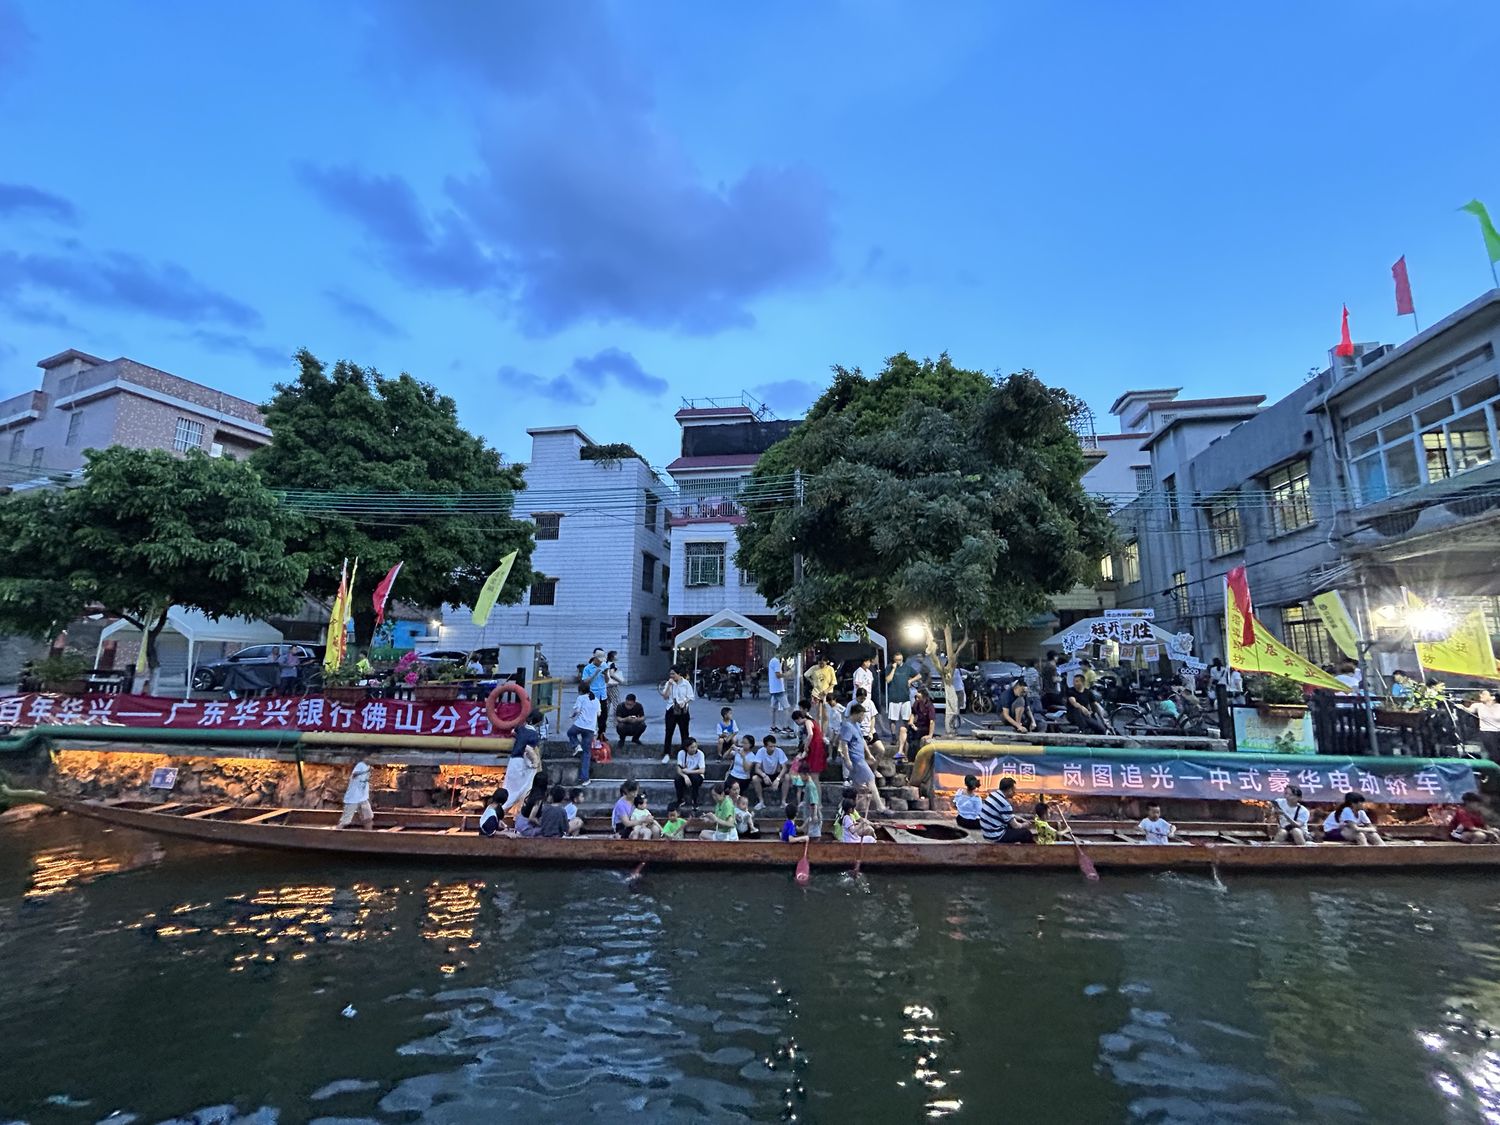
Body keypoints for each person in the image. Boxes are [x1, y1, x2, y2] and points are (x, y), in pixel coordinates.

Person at [836, 704, 885, 814]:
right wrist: (847, 760)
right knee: (871, 779)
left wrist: (868, 754)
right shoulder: (847, 726)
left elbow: (862, 741)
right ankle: (880, 806)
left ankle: (841, 807)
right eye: (862, 715)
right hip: (856, 759)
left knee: (856, 787)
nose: (863, 718)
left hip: (861, 757)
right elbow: (844, 744)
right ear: (856, 714)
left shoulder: (856, 725)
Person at [502, 707, 545, 812]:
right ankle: (514, 811)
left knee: (509, 788)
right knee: (522, 789)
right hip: (523, 763)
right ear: (539, 723)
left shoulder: (520, 728)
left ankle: (502, 809)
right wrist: (535, 763)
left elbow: (513, 731)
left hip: (513, 761)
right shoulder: (534, 735)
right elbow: (528, 749)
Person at [885, 651, 921, 759]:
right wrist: (894, 669)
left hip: (905, 697)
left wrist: (911, 680)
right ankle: (893, 736)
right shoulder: (889, 667)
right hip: (894, 697)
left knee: (906, 719)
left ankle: (906, 736)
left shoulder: (907, 667)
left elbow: (918, 675)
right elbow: (887, 680)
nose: (899, 662)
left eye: (900, 660)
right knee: (893, 719)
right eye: (897, 660)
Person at [979, 776, 1034, 843]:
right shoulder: (1004, 804)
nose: (1015, 792)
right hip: (995, 836)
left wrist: (1019, 818)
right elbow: (1016, 826)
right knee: (1025, 833)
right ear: (1009, 790)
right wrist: (1024, 825)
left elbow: (1003, 814)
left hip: (986, 832)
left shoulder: (993, 795)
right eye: (1014, 790)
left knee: (1013, 825)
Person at [660, 666, 695, 764]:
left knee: (684, 732)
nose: (671, 676)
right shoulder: (669, 683)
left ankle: (685, 753)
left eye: (673, 674)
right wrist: (669, 686)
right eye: (670, 674)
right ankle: (666, 753)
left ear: (679, 674)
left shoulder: (686, 683)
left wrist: (684, 701)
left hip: (683, 710)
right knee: (669, 732)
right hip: (671, 709)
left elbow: (691, 696)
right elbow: (665, 696)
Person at [566, 690, 600, 783]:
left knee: (570, 733)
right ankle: (585, 778)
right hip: (590, 728)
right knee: (586, 753)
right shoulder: (596, 700)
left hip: (580, 725)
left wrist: (572, 716)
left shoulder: (581, 698)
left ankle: (576, 745)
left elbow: (576, 710)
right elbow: (599, 713)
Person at [753, 734, 790, 810]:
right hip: (765, 774)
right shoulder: (760, 751)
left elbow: (784, 768)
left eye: (774, 746)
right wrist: (764, 776)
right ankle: (761, 801)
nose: (773, 748)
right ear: (765, 746)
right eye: (770, 746)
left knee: (787, 777)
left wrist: (778, 779)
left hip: (776, 774)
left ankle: (783, 802)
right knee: (755, 778)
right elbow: (757, 768)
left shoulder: (779, 751)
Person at [1462, 689, 1500, 762]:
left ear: (1492, 696)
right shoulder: (1477, 706)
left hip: (1499, 731)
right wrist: (1462, 707)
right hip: (1487, 732)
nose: (1481, 695)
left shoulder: (1498, 706)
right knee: (1494, 753)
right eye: (1480, 694)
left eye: (1484, 694)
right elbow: (1469, 710)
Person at [336, 757, 374, 829]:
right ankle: (335, 834)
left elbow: (366, 780)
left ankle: (369, 835)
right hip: (353, 798)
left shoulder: (368, 767)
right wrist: (365, 771)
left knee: (368, 818)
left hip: (363, 798)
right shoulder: (360, 765)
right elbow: (355, 774)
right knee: (345, 821)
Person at [674, 737, 706, 812]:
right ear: (686, 748)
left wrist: (689, 772)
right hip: (685, 774)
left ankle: (695, 801)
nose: (694, 749)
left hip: (696, 774)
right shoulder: (681, 753)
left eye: (695, 746)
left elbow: (702, 770)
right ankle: (680, 800)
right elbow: (679, 769)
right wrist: (685, 776)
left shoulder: (700, 754)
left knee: (695, 779)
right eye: (692, 747)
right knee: (677, 779)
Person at [581, 647, 609, 731]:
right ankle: (590, 731)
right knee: (591, 714)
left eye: (601, 660)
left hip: (602, 694)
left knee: (603, 715)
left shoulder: (604, 665)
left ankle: (602, 733)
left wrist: (606, 675)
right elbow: (585, 682)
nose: (600, 662)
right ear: (594, 658)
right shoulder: (587, 668)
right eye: (598, 660)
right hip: (593, 694)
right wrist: (595, 673)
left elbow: (607, 680)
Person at [805, 656, 837, 731]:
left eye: (823, 663)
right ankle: (818, 731)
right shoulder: (814, 668)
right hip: (816, 693)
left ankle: (824, 733)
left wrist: (827, 690)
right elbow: (806, 675)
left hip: (827, 693)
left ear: (826, 662)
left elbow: (834, 682)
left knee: (825, 715)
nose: (821, 665)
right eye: (820, 663)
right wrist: (812, 682)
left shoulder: (830, 669)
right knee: (818, 714)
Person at [794, 708, 828, 776]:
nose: (797, 724)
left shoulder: (807, 722)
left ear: (799, 718)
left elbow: (810, 734)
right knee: (812, 772)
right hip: (816, 745)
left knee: (814, 773)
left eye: (796, 722)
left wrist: (806, 747)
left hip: (816, 746)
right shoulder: (811, 721)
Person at [798, 762, 823, 839]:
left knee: (813, 837)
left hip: (812, 816)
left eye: (801, 775)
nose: (800, 777)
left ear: (805, 774)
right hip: (809, 815)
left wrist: (815, 815)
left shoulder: (811, 786)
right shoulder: (807, 785)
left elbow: (814, 802)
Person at [603, 650, 624, 736]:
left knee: (607, 704)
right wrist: (620, 680)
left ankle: (603, 721)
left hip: (606, 686)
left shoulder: (606, 663)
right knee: (616, 703)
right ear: (613, 657)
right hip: (612, 686)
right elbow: (611, 674)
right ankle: (616, 722)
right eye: (616, 655)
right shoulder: (612, 664)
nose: (617, 656)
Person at [767, 652, 789, 733]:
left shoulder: (773, 661)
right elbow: (778, 675)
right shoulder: (776, 661)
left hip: (774, 688)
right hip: (778, 689)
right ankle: (785, 726)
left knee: (773, 708)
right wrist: (787, 674)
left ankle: (773, 726)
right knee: (786, 707)